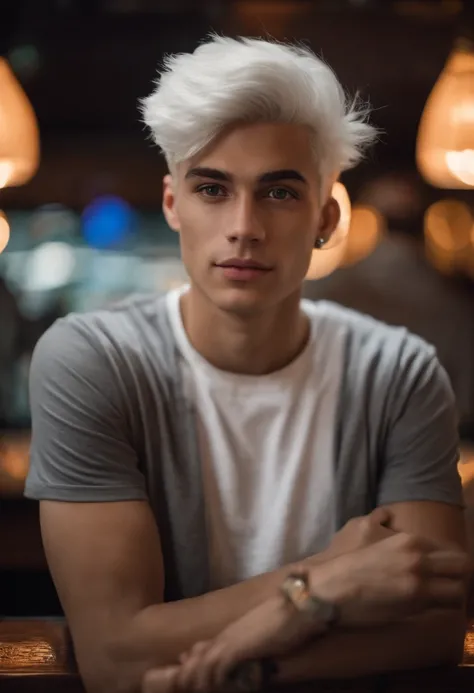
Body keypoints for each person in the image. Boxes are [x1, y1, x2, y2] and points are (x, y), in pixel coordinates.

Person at [24, 35, 470, 693]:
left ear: (326, 216)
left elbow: (433, 625)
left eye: (280, 193)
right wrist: (324, 580)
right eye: (212, 188)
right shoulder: (93, 361)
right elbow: (113, 652)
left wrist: (252, 651)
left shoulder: (398, 374)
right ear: (174, 205)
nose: (244, 226)